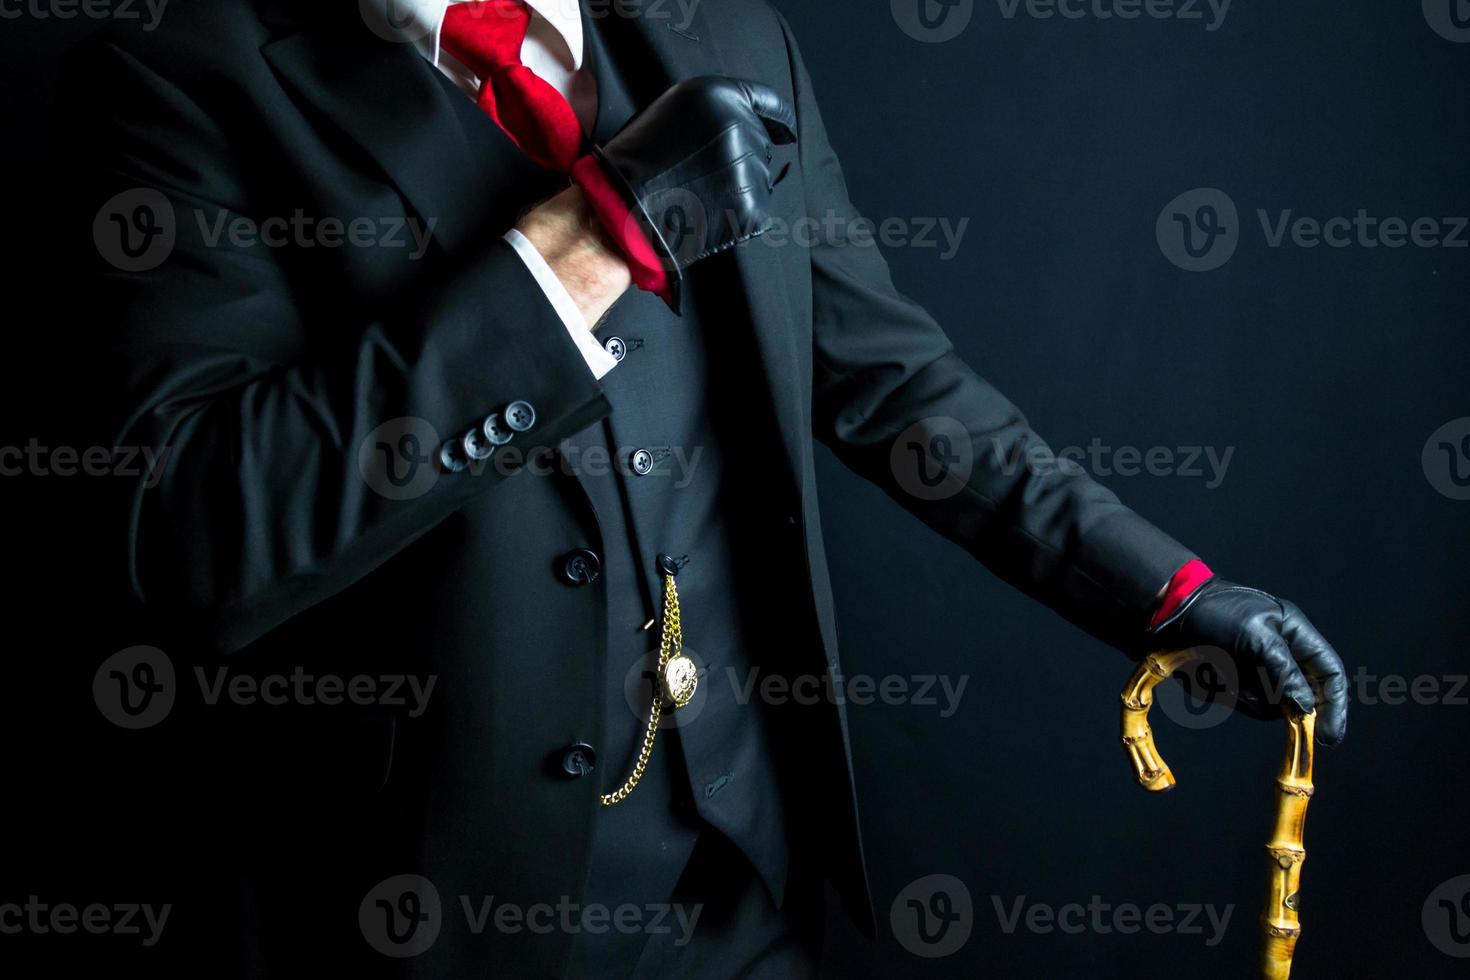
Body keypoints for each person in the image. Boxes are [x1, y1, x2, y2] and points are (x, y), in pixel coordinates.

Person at [64, 0, 1348, 975]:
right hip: (431, 903)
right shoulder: (184, 77)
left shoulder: (728, 28)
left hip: (745, 891)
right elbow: (193, 534)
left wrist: (1166, 592)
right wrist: (587, 239)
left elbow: (897, 388)